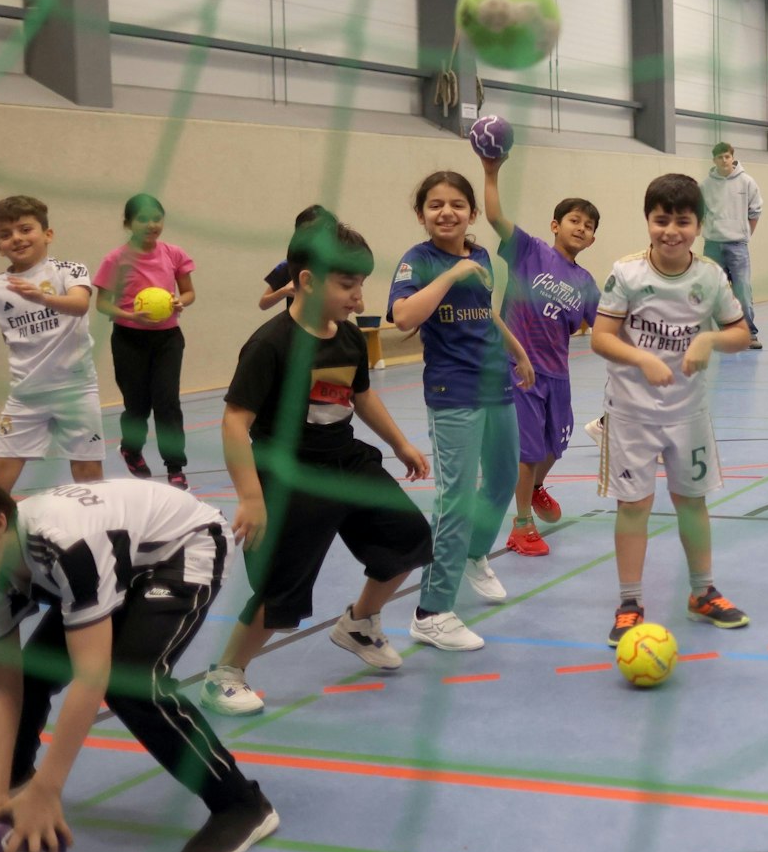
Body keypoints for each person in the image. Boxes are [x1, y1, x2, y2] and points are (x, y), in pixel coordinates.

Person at [0, 462, 279, 852]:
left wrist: (49, 790)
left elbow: (91, 676)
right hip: (115, 561)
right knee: (31, 674)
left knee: (130, 683)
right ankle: (14, 774)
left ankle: (242, 805)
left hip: (182, 548)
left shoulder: (64, 545)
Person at [201, 221, 435, 716]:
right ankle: (226, 673)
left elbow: (361, 395)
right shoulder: (271, 345)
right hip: (287, 474)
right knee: (280, 588)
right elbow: (233, 421)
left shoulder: (348, 338)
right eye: (347, 286)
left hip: (344, 460)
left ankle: (360, 621)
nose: (357, 297)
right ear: (307, 281)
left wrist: (399, 443)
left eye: (360, 285)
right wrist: (251, 496)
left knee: (409, 537)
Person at [592, 174, 754, 645]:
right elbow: (602, 337)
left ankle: (702, 592)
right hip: (631, 414)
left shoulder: (710, 276)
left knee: (692, 503)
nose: (671, 231)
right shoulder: (626, 273)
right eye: (661, 220)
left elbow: (740, 334)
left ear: (698, 225)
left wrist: (709, 338)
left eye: (682, 221)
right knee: (634, 507)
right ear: (648, 220)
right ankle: (629, 602)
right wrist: (641, 357)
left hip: (688, 413)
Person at [389, 170, 535, 651]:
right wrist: (449, 274)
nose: (446, 212)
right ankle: (431, 613)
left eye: (456, 204)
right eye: (435, 205)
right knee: (455, 499)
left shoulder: (480, 256)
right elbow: (404, 317)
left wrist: (517, 350)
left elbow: (486, 311)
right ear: (421, 214)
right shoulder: (417, 261)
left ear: (472, 213)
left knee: (499, 481)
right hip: (454, 393)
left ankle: (473, 553)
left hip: (496, 384)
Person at [0, 195, 104, 493]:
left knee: (89, 475)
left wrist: (43, 298)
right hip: (25, 396)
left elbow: (79, 305)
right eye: (5, 234)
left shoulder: (69, 270)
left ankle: (100, 531)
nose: (16, 238)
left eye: (25, 229)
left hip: (76, 390)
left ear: (47, 234)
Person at [479, 153, 601, 558]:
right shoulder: (529, 251)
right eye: (574, 221)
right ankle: (521, 525)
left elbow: (605, 327)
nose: (581, 228)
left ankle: (533, 488)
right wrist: (492, 171)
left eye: (589, 226)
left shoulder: (585, 282)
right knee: (528, 450)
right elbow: (495, 216)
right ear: (555, 225)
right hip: (519, 368)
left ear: (593, 238)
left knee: (555, 445)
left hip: (558, 374)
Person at [94, 194, 196, 488]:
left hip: (168, 339)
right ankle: (131, 448)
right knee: (137, 406)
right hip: (129, 340)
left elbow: (189, 293)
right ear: (128, 223)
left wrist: (180, 302)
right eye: (142, 219)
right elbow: (102, 303)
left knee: (167, 403)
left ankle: (175, 466)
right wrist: (130, 316)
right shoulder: (115, 259)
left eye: (157, 218)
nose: (151, 225)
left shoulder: (174, 253)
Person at [701, 142, 764, 349]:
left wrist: (744, 236)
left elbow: (754, 213)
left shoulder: (747, 182)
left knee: (743, 291)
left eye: (727, 156)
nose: (724, 160)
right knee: (713, 292)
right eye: (720, 157)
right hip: (712, 246)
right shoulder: (705, 186)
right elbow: (700, 215)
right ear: (714, 160)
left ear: (732, 157)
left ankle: (750, 334)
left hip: (737, 246)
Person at [258, 206, 337, 311]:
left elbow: (359, 307)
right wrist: (284, 291)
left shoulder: (337, 265)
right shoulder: (288, 265)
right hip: (296, 323)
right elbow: (263, 304)